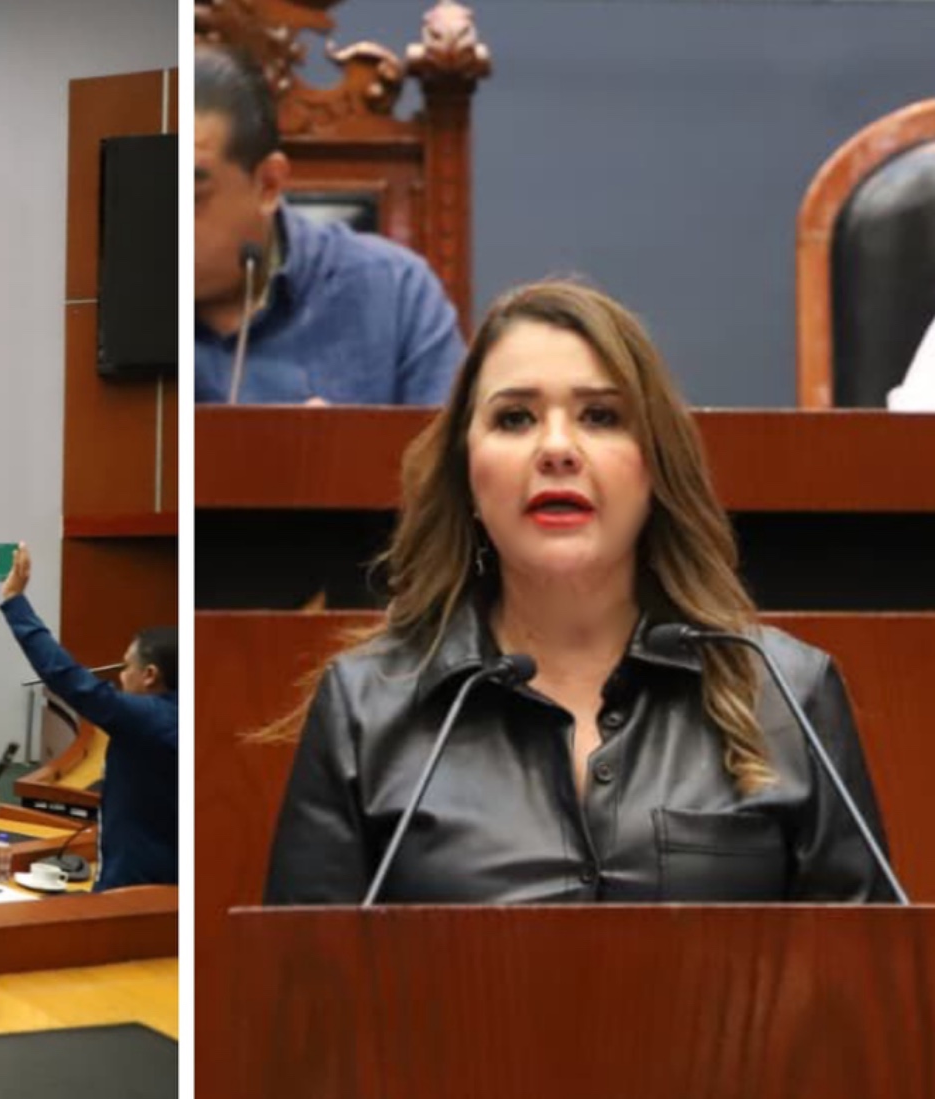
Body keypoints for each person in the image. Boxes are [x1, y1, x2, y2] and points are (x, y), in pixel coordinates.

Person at [264, 280, 894, 904]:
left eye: (601, 416)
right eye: (515, 418)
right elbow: (309, 969)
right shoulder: (367, 707)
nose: (558, 449)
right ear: (466, 472)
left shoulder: (785, 692)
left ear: (656, 466)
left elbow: (866, 965)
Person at [191, 43, 464, 407]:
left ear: (268, 184)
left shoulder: (394, 292)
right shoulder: (115, 301)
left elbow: (451, 443)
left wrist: (335, 443)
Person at [0, 545, 178, 890]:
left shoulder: (152, 719)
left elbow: (68, 678)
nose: (121, 676)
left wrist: (14, 602)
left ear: (150, 674)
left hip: (137, 886)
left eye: (127, 666)